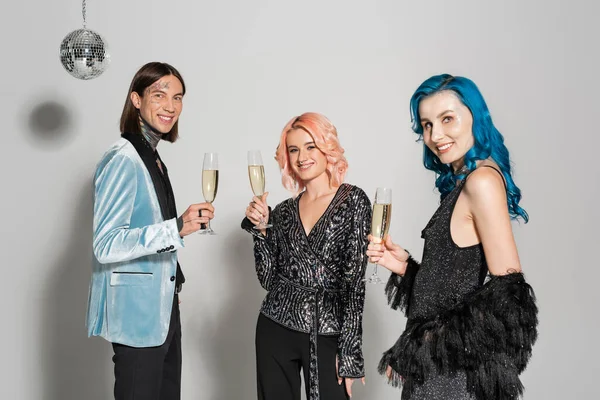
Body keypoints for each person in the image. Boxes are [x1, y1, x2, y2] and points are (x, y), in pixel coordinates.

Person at [367, 74, 538, 400]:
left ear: (476, 116)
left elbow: (509, 297)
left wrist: (424, 344)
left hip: (451, 377)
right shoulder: (462, 181)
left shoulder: (481, 182)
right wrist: (405, 267)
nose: (436, 135)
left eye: (447, 119)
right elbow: (455, 286)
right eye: (427, 125)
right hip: (439, 371)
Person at [86, 62, 214, 399]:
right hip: (137, 319)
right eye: (159, 95)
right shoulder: (123, 159)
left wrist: (171, 286)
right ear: (137, 100)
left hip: (163, 311)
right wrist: (176, 228)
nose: (171, 106)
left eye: (178, 97)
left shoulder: (152, 157)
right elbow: (106, 244)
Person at [242, 112, 371, 400]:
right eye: (294, 149)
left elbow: (354, 282)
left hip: (327, 331)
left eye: (310, 146)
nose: (302, 157)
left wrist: (349, 351)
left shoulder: (353, 201)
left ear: (328, 148)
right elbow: (267, 279)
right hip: (275, 327)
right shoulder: (284, 211)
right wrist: (261, 231)